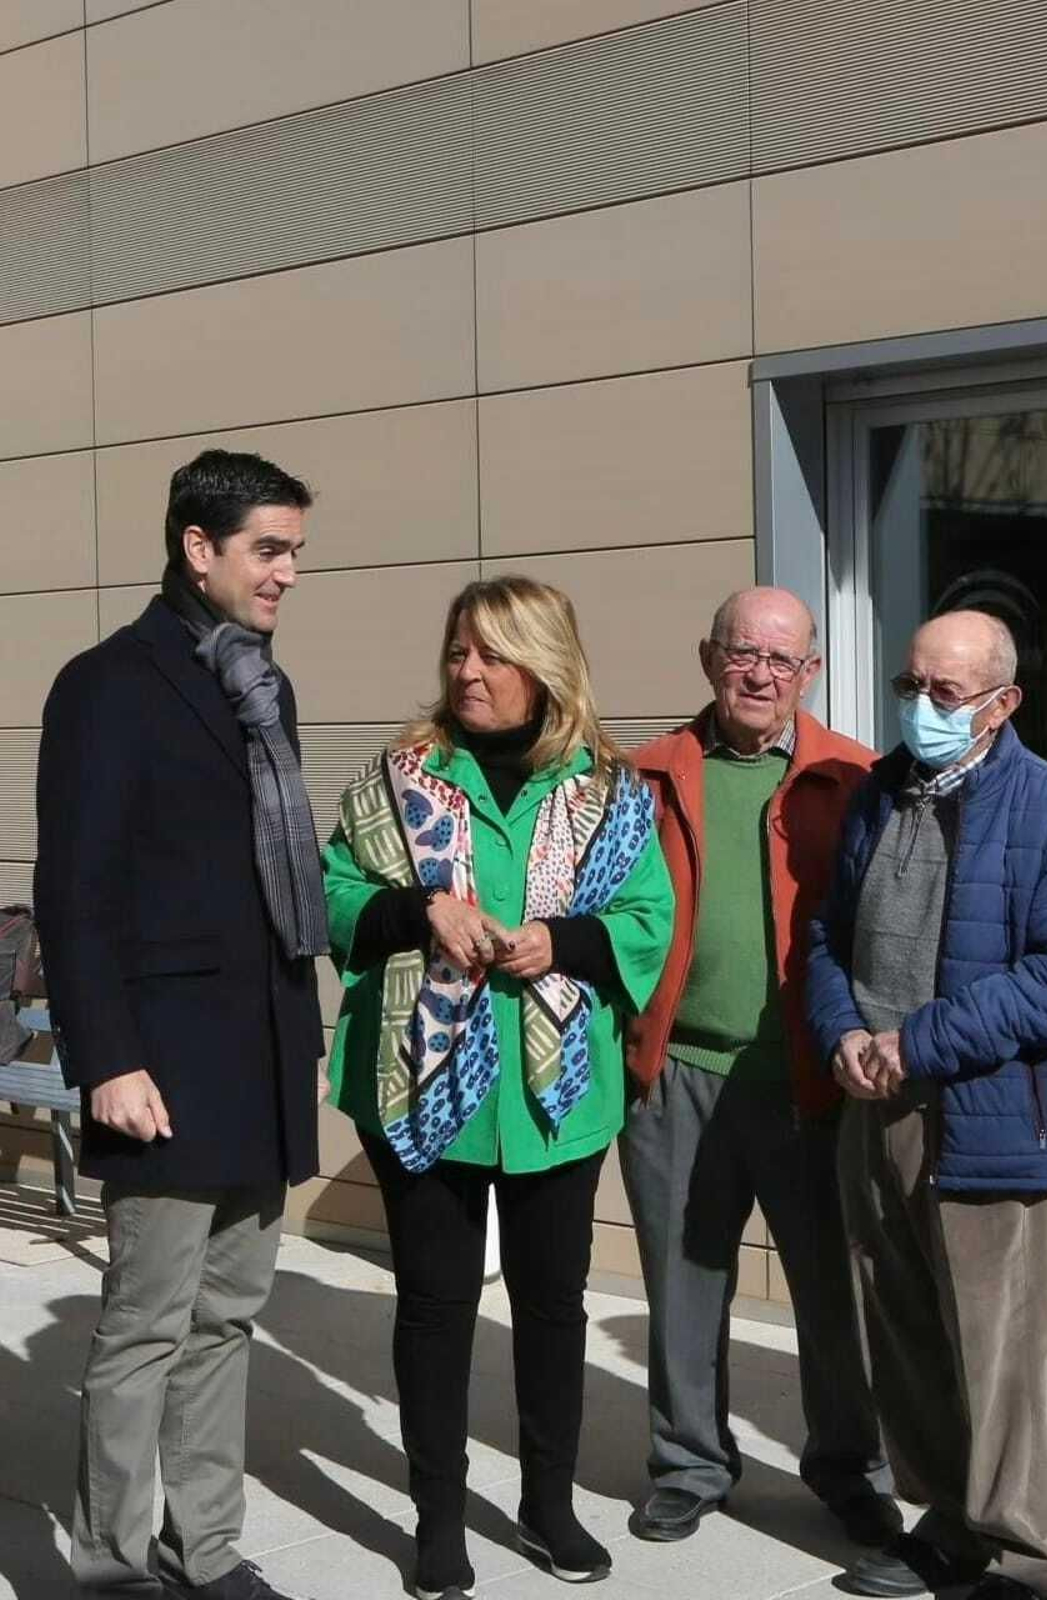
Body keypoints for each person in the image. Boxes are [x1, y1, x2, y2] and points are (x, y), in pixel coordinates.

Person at [322, 576, 673, 1598]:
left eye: (489, 654)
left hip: (558, 1091)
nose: (465, 671)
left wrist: (558, 940)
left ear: (543, 665)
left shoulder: (610, 787)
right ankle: (439, 1519)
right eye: (456, 651)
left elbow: (649, 917)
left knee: (552, 1306)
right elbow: (335, 891)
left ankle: (548, 1504)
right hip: (417, 1082)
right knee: (433, 1307)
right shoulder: (402, 774)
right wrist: (423, 906)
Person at [35, 449, 325, 1600]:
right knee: (148, 1324)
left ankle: (202, 1548)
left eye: (297, 550)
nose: (289, 572)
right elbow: (78, 890)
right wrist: (107, 1059)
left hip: (260, 1051)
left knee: (226, 1321)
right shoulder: (107, 683)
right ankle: (111, 1566)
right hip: (161, 1062)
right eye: (270, 547)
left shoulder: (261, 681)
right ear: (197, 548)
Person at [807, 609, 1047, 1600]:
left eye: (944, 692)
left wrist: (920, 1041)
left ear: (1001, 702)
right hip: (876, 1104)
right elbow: (826, 935)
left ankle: (1025, 1561)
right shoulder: (878, 795)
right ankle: (946, 1526)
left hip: (982, 1112)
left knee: (997, 1356)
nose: (921, 708)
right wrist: (843, 1034)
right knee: (903, 1334)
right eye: (911, 687)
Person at [620, 586, 896, 1545]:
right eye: (743, 654)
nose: (759, 674)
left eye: (781, 660)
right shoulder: (645, 776)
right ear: (709, 658)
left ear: (810, 674)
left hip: (808, 1082)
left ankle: (850, 1467)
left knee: (832, 1291)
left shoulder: (856, 780)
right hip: (675, 1077)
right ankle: (690, 1463)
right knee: (682, 1282)